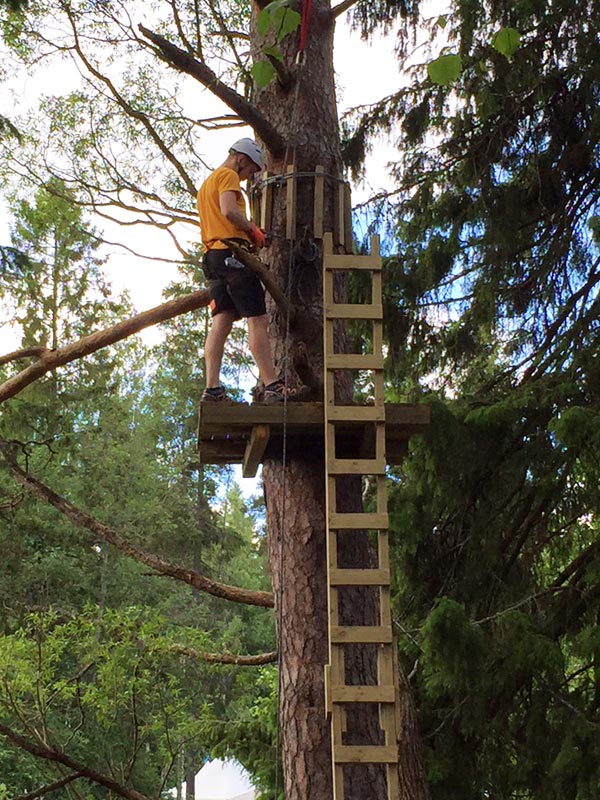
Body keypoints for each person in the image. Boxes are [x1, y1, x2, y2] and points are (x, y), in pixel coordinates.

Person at [197, 138, 293, 404]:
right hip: (232, 255)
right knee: (257, 320)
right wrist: (252, 229)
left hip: (212, 257)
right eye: (251, 170)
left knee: (222, 322)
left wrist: (252, 235)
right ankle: (272, 384)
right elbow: (229, 212)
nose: (250, 176)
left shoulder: (207, 184)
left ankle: (212, 389)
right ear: (241, 158)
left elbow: (219, 219)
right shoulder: (227, 175)